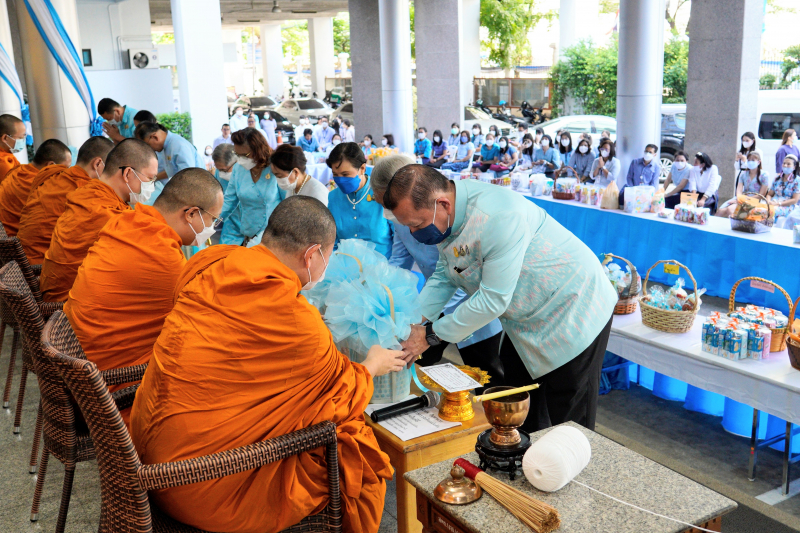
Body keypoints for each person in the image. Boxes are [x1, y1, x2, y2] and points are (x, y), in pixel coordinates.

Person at [130, 196, 404, 533]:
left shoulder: (211, 263)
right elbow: (342, 394)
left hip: (142, 457)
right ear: (312, 255)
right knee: (355, 448)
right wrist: (372, 364)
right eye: (328, 257)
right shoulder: (295, 317)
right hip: (205, 486)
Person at [382, 165, 617, 433]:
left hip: (573, 309)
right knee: (515, 404)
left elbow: (492, 301)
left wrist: (430, 335)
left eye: (416, 225)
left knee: (569, 416)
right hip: (526, 318)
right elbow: (445, 274)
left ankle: (566, 469)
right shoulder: (448, 217)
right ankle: (523, 459)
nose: (414, 234)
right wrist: (415, 323)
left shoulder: (497, 216)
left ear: (443, 203)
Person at [64, 168, 223, 423]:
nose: (213, 228)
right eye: (213, 219)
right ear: (191, 213)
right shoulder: (163, 256)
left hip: (79, 374)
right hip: (111, 394)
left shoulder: (124, 221)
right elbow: (205, 322)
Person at [373, 154, 504, 389]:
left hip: (471, 305)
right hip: (433, 305)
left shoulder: (444, 216)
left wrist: (430, 328)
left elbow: (459, 275)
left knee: (487, 375)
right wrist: (385, 294)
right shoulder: (402, 216)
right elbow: (400, 259)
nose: (392, 211)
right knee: (426, 369)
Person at [40, 139, 157, 301]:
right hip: (68, 306)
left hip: (61, 288)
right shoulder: (106, 213)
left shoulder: (88, 192)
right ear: (128, 174)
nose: (152, 185)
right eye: (150, 178)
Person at [17, 137, 114, 264]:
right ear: (97, 164)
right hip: (41, 264)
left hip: (21, 257)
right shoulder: (85, 192)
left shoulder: (52, 177)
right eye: (111, 169)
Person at [327, 142, 393, 258]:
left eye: (345, 174)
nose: (340, 180)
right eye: (335, 175)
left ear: (362, 168)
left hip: (382, 267)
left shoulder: (382, 193)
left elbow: (399, 240)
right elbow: (332, 242)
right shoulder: (333, 198)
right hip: (345, 267)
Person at [220, 128, 282, 245]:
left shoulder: (276, 167)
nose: (240, 159)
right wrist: (211, 221)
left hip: (274, 238)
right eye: (237, 154)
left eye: (244, 155)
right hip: (248, 236)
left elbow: (288, 203)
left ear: (258, 150)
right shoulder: (239, 169)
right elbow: (229, 200)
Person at [0, 139, 72, 236]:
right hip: (15, 244)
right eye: (65, 168)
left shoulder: (17, 170)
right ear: (50, 165)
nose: (66, 173)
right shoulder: (41, 186)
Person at [135, 122, 205, 205]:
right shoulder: (168, 147)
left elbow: (189, 176)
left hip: (196, 191)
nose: (151, 150)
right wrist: (151, 179)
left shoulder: (178, 145)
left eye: (149, 145)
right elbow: (172, 170)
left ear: (155, 137)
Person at [717, 151, 770, 218]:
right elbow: (739, 190)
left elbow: (761, 195)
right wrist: (739, 199)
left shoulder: (764, 175)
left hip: (755, 200)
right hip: (742, 198)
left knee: (730, 210)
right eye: (749, 160)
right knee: (720, 211)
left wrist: (745, 200)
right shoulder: (743, 174)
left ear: (759, 162)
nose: (750, 162)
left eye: (753, 160)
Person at [767, 154, 800, 219]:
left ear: (794, 167)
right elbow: (769, 194)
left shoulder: (797, 180)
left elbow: (795, 200)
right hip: (773, 202)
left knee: (771, 211)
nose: (785, 165)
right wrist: (768, 201)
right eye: (784, 163)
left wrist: (779, 204)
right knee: (760, 209)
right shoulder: (777, 178)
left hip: (788, 206)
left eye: (788, 164)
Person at [0, 114, 25, 183]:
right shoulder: (4, 163)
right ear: (5, 138)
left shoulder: (7, 154)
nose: (23, 140)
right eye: (20, 137)